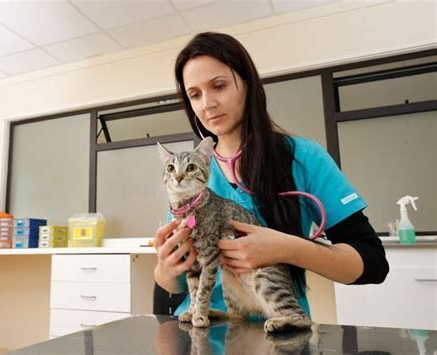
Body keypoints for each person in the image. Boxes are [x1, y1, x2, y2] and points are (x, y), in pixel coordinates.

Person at [153, 32, 389, 318]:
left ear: (248, 85)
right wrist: (165, 269)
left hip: (277, 332)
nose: (207, 104)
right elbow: (173, 285)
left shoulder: (302, 158)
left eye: (219, 86)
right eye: (195, 95)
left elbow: (374, 263)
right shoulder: (189, 172)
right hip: (198, 333)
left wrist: (288, 248)